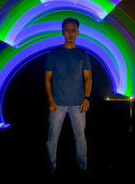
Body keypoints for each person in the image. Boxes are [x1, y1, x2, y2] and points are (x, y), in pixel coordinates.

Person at [45, 17, 92, 177]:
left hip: (78, 104)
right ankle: (51, 166)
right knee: (52, 138)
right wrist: (51, 100)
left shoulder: (82, 53)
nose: (70, 33)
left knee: (80, 138)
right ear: (62, 32)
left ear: (78, 32)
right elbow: (47, 78)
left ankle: (82, 167)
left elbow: (88, 78)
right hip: (57, 104)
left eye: (73, 30)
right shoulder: (54, 53)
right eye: (67, 30)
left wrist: (87, 98)